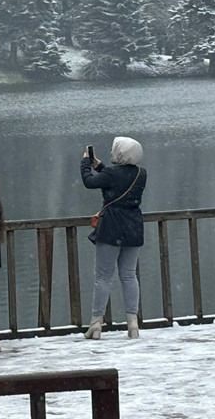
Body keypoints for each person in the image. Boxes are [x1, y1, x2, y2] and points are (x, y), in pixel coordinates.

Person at [81, 137, 147, 340]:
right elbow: (117, 178)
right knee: (128, 275)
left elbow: (90, 182)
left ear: (119, 153)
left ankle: (96, 323)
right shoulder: (141, 174)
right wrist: (99, 165)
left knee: (103, 277)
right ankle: (133, 323)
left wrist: (85, 163)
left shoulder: (110, 174)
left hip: (111, 228)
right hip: (133, 227)